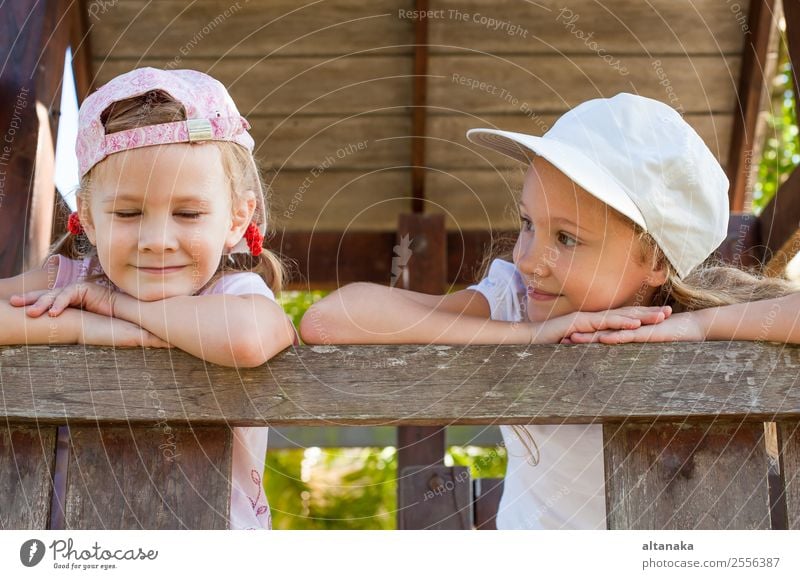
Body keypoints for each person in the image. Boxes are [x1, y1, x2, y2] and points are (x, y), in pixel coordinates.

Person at [299, 93, 800, 529]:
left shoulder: (699, 324)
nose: (529, 258)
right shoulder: (514, 303)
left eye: (566, 237)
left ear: (654, 260)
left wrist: (700, 325)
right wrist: (528, 337)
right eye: (527, 223)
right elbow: (329, 320)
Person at [0, 67, 296, 530]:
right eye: (129, 212)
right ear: (90, 221)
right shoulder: (71, 277)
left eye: (188, 212)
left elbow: (251, 339)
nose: (157, 239)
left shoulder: (234, 292)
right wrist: (86, 325)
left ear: (238, 219)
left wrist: (116, 306)